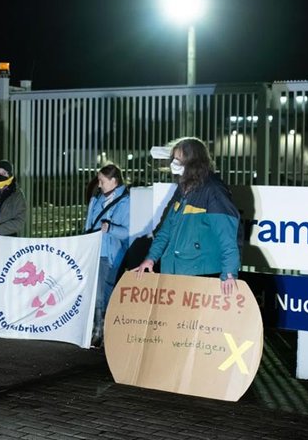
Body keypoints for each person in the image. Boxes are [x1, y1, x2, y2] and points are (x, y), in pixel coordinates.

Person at [135, 137, 241, 296]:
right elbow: (165, 231)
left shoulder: (214, 191)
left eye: (179, 159)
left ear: (194, 162)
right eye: (174, 159)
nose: (174, 164)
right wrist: (151, 258)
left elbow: (227, 237)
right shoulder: (183, 190)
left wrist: (229, 274)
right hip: (174, 273)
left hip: (200, 276)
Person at [84, 164, 130, 346]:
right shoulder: (95, 201)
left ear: (114, 181)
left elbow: (128, 232)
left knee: (102, 295)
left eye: (102, 181)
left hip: (109, 255)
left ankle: (102, 331)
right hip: (94, 253)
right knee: (96, 295)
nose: (100, 185)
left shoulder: (126, 203)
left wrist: (110, 229)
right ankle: (98, 330)